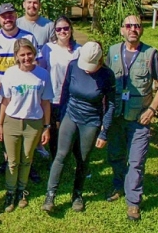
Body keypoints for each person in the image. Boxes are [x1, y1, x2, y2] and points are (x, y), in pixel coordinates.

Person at [106, 15, 158, 221]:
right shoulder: (113, 51)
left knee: (136, 161)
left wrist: (152, 108)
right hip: (116, 116)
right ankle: (118, 186)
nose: (133, 29)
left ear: (141, 30)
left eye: (137, 26)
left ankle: (133, 202)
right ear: (122, 30)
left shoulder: (150, 54)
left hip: (139, 118)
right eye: (129, 25)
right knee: (115, 155)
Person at [42, 42, 115, 213]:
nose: (87, 70)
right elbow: (65, 92)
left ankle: (77, 194)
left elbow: (111, 105)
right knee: (61, 155)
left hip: (91, 121)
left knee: (83, 159)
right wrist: (61, 117)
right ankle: (50, 195)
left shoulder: (107, 75)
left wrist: (104, 132)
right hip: (71, 115)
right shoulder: (74, 66)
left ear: (99, 60)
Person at [0, 38, 52, 212]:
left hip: (33, 123)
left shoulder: (43, 74)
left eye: (29, 54)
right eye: (22, 55)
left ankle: (22, 190)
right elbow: (5, 101)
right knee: (12, 161)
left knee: (27, 159)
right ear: (16, 56)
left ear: (34, 54)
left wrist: (46, 127)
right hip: (12, 121)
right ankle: (10, 192)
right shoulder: (10, 73)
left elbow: (45, 103)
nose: (26, 58)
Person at [0, 3, 36, 173]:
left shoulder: (28, 37)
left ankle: (27, 162)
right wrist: (0, 89)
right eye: (4, 16)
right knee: (3, 129)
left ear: (16, 16)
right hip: (1, 94)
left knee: (27, 128)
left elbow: (36, 63)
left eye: (10, 15)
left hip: (25, 94)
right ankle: (8, 160)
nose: (8, 19)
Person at [38, 16, 82, 159]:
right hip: (53, 96)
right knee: (53, 130)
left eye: (65, 28)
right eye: (59, 29)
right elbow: (41, 72)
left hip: (72, 98)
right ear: (55, 31)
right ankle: (56, 159)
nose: (62, 31)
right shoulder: (48, 48)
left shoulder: (79, 50)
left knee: (72, 129)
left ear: (71, 29)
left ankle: (76, 157)